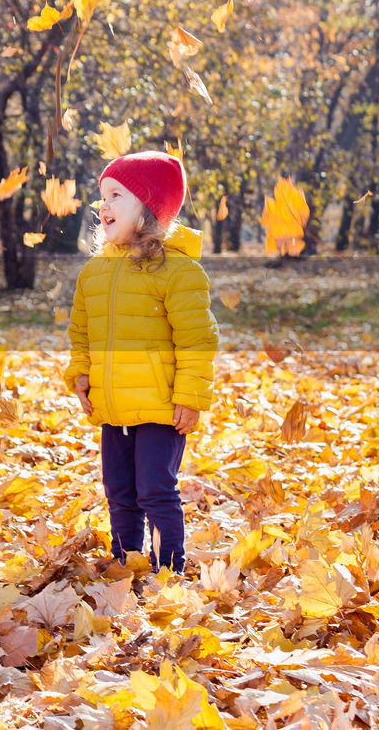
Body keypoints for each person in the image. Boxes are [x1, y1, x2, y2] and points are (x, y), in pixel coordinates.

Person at [64, 151, 218, 572]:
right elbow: (82, 332)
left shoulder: (178, 271)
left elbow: (197, 341)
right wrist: (80, 372)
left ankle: (169, 570)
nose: (104, 206)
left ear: (148, 208)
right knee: (119, 489)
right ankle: (125, 564)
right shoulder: (95, 271)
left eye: (116, 195)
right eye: (102, 197)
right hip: (114, 408)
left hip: (161, 406)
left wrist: (190, 396)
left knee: (154, 489)